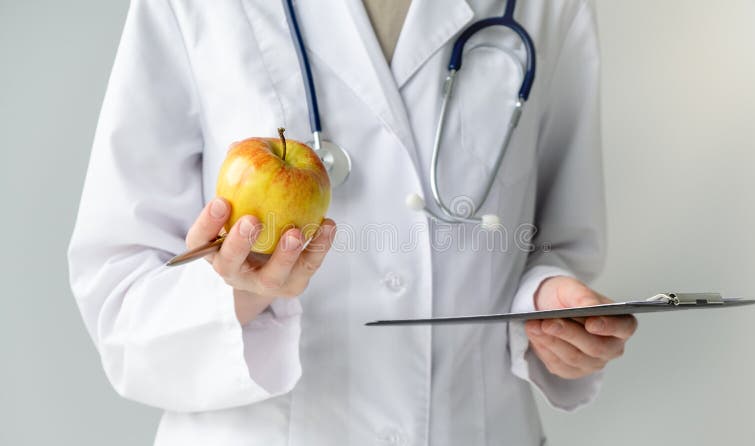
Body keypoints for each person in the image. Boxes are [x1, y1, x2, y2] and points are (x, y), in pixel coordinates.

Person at [67, 1, 637, 445]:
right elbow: (119, 291)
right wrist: (238, 296)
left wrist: (547, 305)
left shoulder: (548, 7)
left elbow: (555, 241)